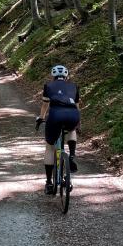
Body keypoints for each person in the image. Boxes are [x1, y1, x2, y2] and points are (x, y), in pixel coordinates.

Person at [35, 65, 80, 195]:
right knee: (72, 130)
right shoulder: (74, 87)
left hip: (55, 115)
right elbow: (77, 107)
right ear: (67, 76)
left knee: (50, 147)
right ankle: (71, 156)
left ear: (53, 76)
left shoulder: (48, 86)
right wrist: (78, 123)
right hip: (72, 115)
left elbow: (45, 105)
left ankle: (49, 183)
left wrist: (41, 118)